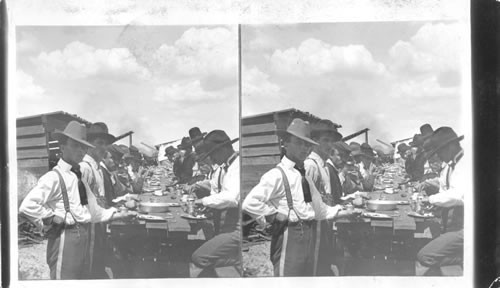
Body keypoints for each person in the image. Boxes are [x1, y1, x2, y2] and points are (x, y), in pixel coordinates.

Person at [242, 118, 360, 276]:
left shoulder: (305, 176)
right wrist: (274, 216)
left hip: (309, 237)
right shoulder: (276, 175)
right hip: (289, 237)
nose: (304, 148)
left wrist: (343, 212)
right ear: (285, 143)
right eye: (299, 143)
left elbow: (319, 208)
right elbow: (250, 202)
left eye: (307, 144)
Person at [19, 121, 135, 280]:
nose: (81, 151)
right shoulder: (53, 177)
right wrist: (50, 218)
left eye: (83, 147)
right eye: (75, 145)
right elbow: (27, 206)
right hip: (65, 240)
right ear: (62, 147)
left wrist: (117, 213)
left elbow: (93, 211)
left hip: (84, 240)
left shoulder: (80, 177)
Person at [190, 130, 241, 277]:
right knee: (202, 251)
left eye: (213, 153)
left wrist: (203, 201)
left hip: (237, 226)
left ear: (223, 149)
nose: (211, 158)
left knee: (199, 257)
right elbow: (214, 185)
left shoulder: (237, 166)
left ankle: (237, 259)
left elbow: (231, 198)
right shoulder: (226, 166)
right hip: (227, 222)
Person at [415, 127, 465, 276]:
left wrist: (431, 199)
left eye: (440, 151)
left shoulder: (465, 164)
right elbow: (444, 185)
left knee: (424, 256)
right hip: (453, 224)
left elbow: (458, 195)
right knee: (428, 240)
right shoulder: (451, 165)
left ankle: (467, 258)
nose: (438, 155)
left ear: (450, 146)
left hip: (466, 228)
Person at [305, 119, 343, 276]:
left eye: (331, 141)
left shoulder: (323, 165)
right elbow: (306, 201)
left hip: (325, 223)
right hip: (314, 227)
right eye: (325, 140)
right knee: (315, 266)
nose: (329, 145)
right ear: (314, 141)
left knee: (324, 262)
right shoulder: (311, 165)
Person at [79, 122, 116, 279]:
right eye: (100, 143)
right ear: (89, 144)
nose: (104, 148)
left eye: (105, 144)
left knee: (99, 261)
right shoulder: (85, 167)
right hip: (89, 227)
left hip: (99, 224)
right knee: (90, 264)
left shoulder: (98, 167)